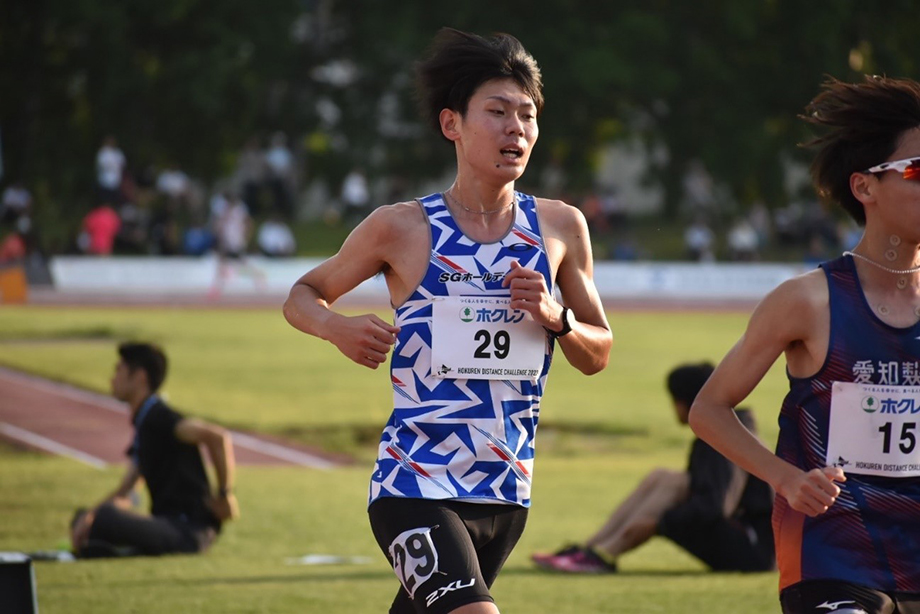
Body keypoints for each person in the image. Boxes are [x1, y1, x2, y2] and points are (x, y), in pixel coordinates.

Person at [283, 27, 612, 614]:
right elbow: (303, 294)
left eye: (528, 115)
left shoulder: (561, 228)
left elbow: (599, 352)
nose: (517, 128)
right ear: (451, 124)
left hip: (506, 490)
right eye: (498, 111)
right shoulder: (402, 227)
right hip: (414, 481)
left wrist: (555, 317)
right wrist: (337, 328)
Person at [689, 75, 920, 614]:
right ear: (864, 188)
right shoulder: (807, 301)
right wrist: (787, 480)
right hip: (833, 552)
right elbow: (709, 408)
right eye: (916, 170)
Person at [532, 362, 774, 574]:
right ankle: (590, 550)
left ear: (682, 402)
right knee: (663, 476)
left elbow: (717, 505)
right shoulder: (724, 429)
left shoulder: (727, 436)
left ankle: (603, 555)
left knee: (678, 483)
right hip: (746, 539)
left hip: (754, 551)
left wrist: (661, 524)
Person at [70, 342, 239, 558]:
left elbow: (217, 437)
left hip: (188, 529)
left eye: (119, 370)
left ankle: (104, 541)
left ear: (140, 377)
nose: (112, 378)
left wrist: (224, 495)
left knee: (105, 518)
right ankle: (104, 542)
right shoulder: (144, 422)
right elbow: (127, 490)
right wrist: (89, 517)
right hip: (167, 523)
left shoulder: (160, 417)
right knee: (87, 516)